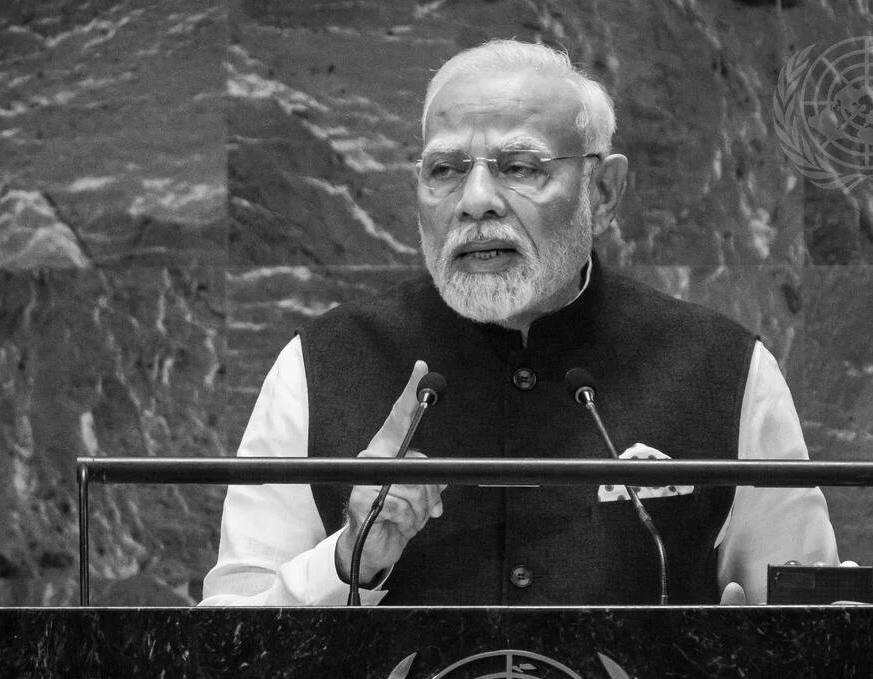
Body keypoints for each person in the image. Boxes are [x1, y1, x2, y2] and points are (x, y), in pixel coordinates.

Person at [201, 39, 838, 607]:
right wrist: (347, 562)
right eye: (445, 170)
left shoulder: (723, 369)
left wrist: (759, 657)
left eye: (520, 167)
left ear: (605, 192)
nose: (475, 201)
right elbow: (220, 652)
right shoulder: (320, 365)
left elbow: (816, 634)